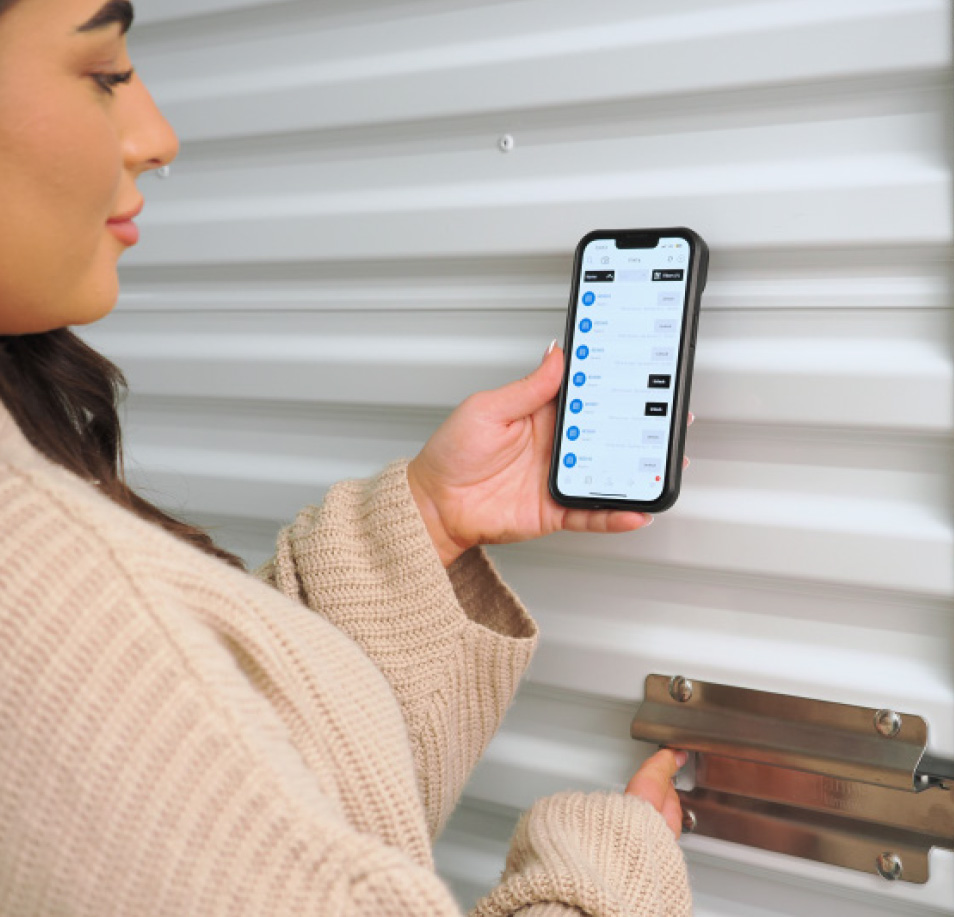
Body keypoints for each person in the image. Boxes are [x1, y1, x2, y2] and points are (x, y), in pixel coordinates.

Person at [0, 1, 693, 914]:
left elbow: (241, 793)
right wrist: (617, 864)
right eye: (104, 72)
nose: (159, 137)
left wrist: (426, 523)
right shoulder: (43, 591)